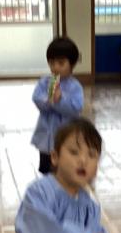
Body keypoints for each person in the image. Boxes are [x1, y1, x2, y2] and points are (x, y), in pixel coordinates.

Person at [31, 37, 84, 175]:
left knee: (64, 170)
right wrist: (49, 100)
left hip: (65, 139)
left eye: (61, 63)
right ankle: (47, 186)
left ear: (72, 64)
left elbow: (76, 109)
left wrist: (60, 100)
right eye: (51, 63)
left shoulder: (75, 87)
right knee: (46, 170)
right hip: (46, 139)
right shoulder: (45, 82)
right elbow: (36, 98)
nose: (55, 67)